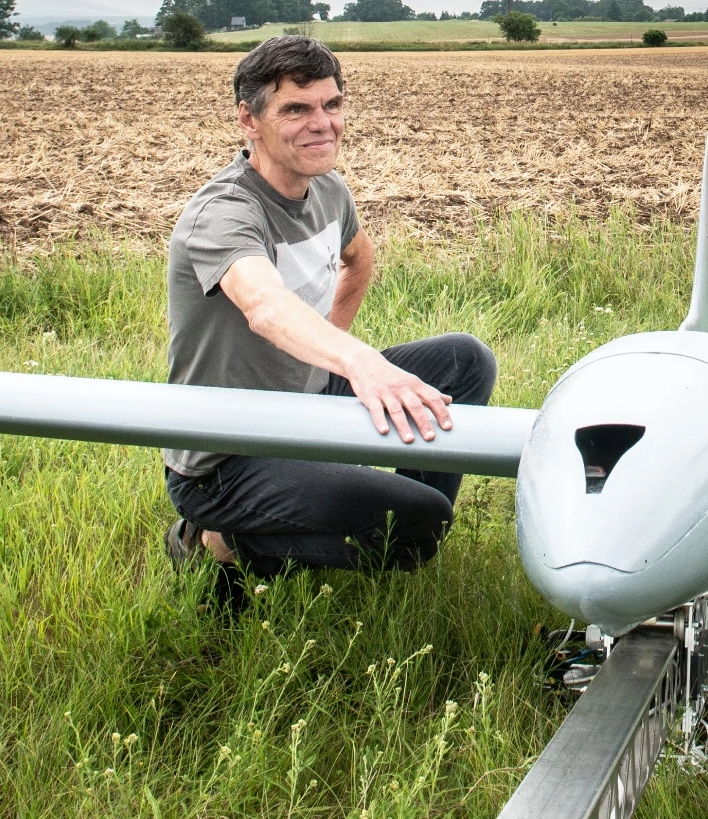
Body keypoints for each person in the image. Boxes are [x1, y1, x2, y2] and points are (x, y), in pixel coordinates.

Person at [161, 35, 495, 605]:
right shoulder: (223, 214)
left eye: (331, 105)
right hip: (227, 453)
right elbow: (263, 304)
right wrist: (361, 362)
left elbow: (358, 259)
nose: (323, 123)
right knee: (422, 527)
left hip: (307, 400)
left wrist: (332, 344)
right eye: (296, 109)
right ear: (249, 119)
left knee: (465, 360)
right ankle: (216, 539)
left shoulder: (328, 190)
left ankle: (375, 513)